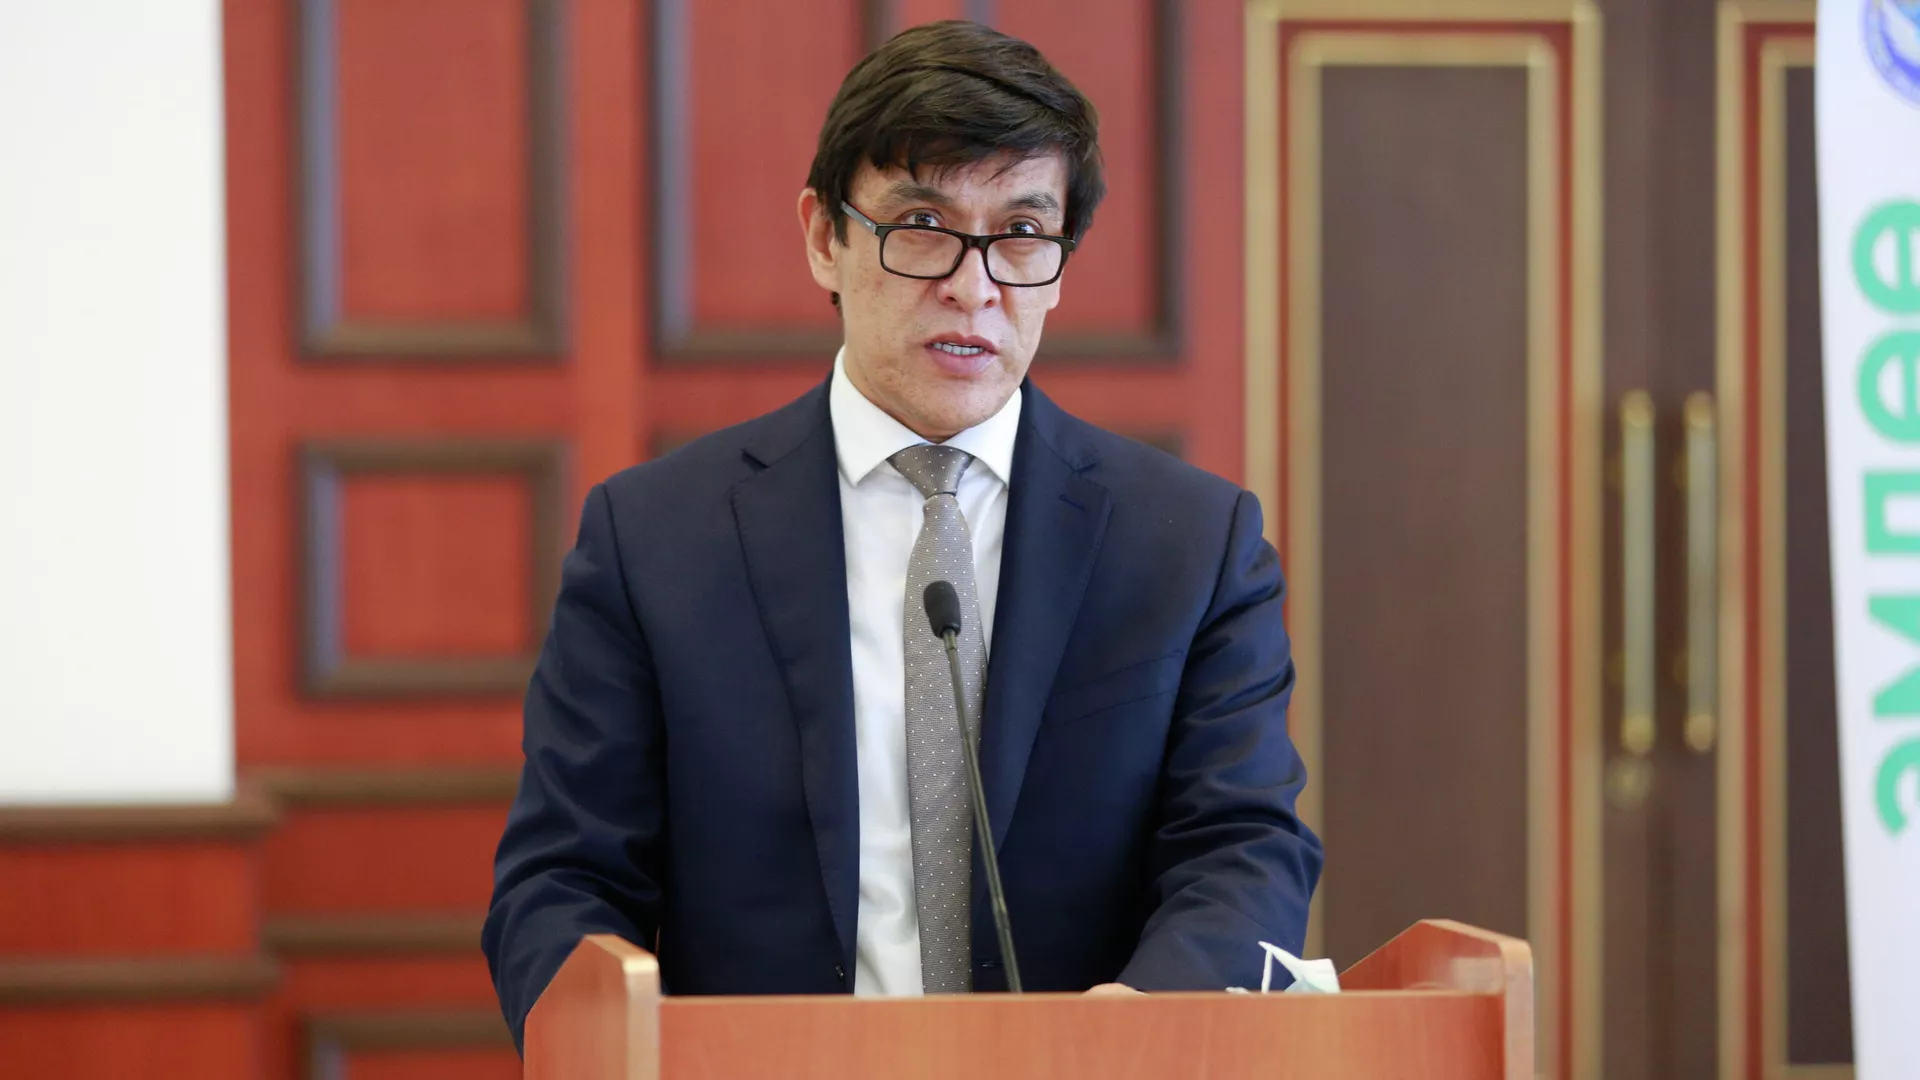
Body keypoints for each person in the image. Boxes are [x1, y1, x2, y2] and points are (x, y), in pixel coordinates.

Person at [482, 19, 1322, 1048]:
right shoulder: (655, 539)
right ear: (824, 239)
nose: (974, 286)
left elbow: (1245, 850)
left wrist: (1134, 1037)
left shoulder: (1191, 545)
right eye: (922, 224)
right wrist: (616, 1047)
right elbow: (563, 881)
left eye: (1022, 232)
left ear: (1061, 263)